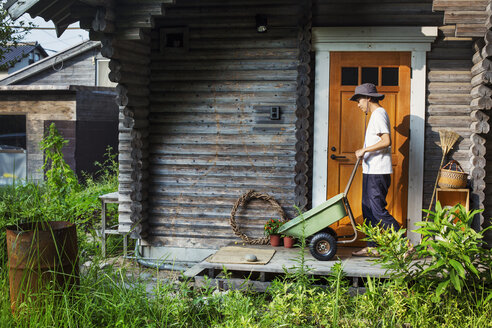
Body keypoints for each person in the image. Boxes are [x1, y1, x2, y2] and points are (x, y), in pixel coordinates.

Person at [349, 83, 400, 257]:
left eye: (359, 99)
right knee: (368, 210)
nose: (358, 104)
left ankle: (404, 245)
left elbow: (386, 141)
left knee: (378, 210)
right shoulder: (375, 115)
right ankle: (372, 247)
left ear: (368, 98)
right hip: (371, 171)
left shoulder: (379, 114)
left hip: (378, 172)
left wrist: (364, 150)